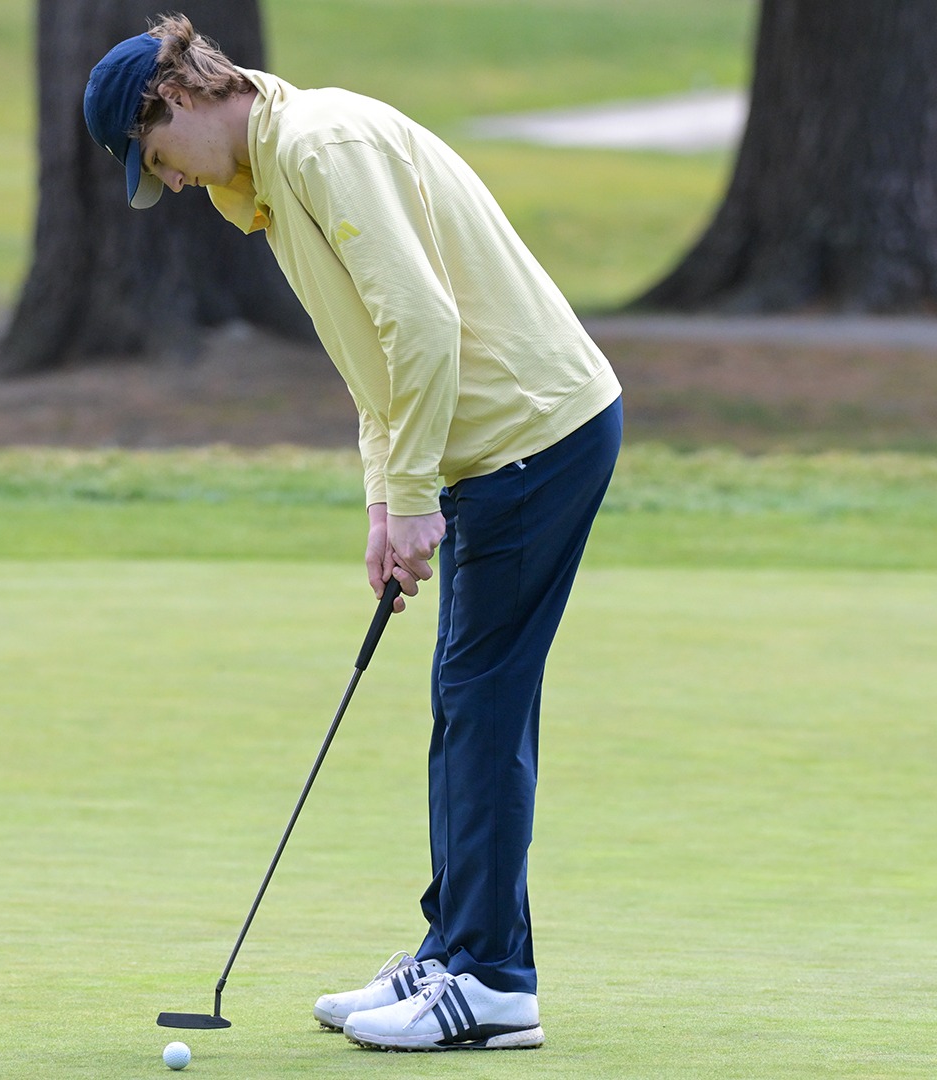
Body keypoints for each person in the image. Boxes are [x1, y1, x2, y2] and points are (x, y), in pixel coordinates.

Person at [83, 15, 622, 1052]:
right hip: (497, 446)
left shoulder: (322, 150)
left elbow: (422, 325)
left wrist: (418, 490)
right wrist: (386, 499)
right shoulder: (280, 177)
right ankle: (458, 949)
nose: (176, 186)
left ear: (179, 100)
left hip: (528, 436)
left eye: (160, 160)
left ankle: (495, 981)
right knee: (467, 702)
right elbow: (372, 356)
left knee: (479, 700)